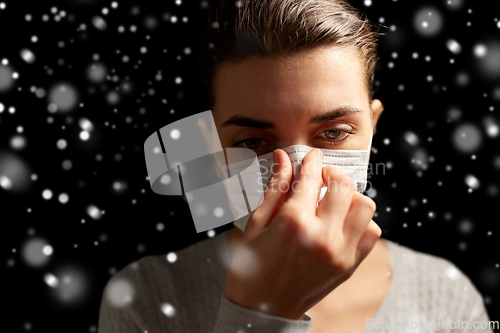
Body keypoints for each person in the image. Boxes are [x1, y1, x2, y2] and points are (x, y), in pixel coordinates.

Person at [98, 0, 494, 332]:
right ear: (211, 146)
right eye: (253, 141)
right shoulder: (145, 296)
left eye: (335, 132)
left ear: (372, 127)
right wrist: (259, 312)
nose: (300, 172)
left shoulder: (446, 294)